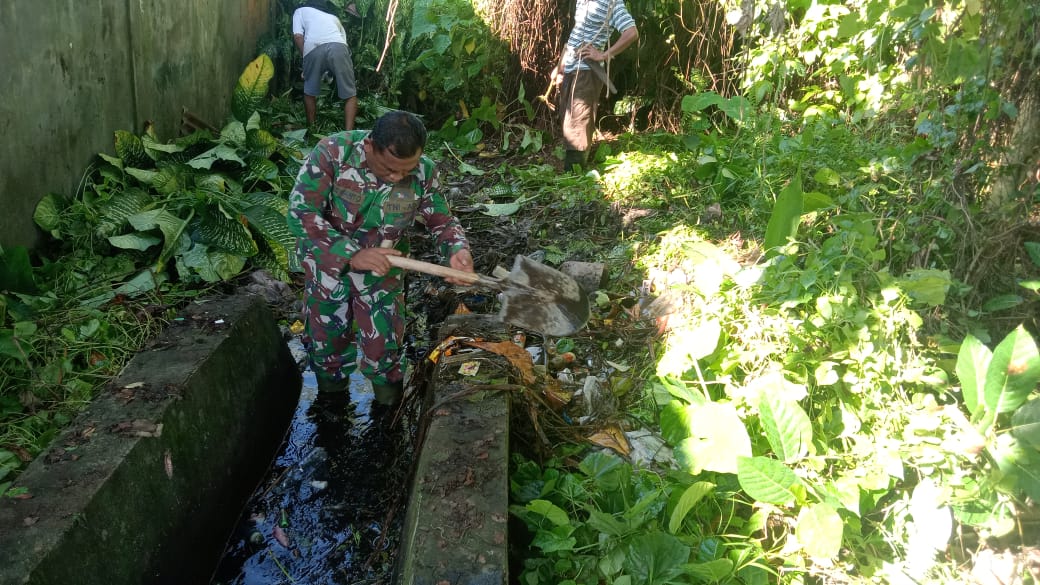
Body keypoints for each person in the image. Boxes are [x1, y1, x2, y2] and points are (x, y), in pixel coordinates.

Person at [287, 110, 474, 407]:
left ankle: (388, 422)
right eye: (389, 170)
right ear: (370, 146)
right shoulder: (333, 153)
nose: (399, 177)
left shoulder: (423, 172)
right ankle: (331, 415)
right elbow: (301, 214)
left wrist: (456, 250)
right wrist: (353, 254)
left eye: (406, 170)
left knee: (384, 353)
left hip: (382, 274)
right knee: (326, 349)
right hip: (328, 269)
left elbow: (442, 222)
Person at [550, 0, 639, 171]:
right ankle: (573, 171)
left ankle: (573, 174)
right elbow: (575, 35)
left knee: (578, 120)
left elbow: (631, 32)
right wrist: (560, 67)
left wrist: (604, 55)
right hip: (571, 68)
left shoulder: (611, 3)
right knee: (568, 118)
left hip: (587, 71)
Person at [292, 0, 358, 130]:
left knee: (309, 92)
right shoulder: (334, 18)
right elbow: (342, 43)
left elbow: (298, 37)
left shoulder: (299, 11)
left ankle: (312, 129)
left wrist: (306, 61)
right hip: (339, 46)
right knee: (350, 94)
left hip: (313, 47)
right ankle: (348, 134)